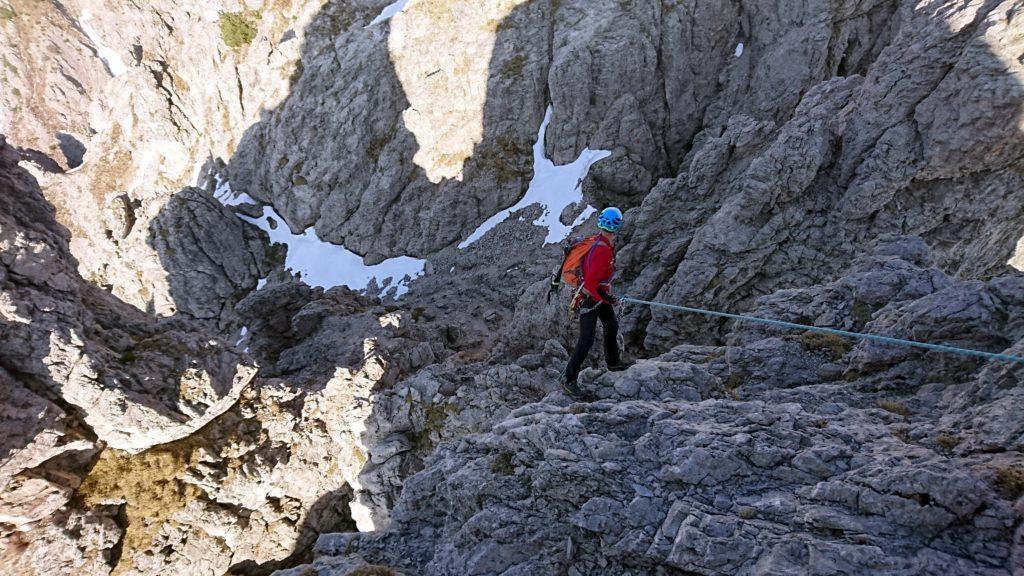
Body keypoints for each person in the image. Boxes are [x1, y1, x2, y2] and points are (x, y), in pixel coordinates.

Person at [560, 207, 630, 397]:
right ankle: (568, 378)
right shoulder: (603, 250)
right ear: (618, 226)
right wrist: (607, 298)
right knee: (587, 339)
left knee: (611, 324)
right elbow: (591, 283)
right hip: (591, 298)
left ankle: (614, 362)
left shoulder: (599, 242)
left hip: (596, 295)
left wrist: (606, 296)